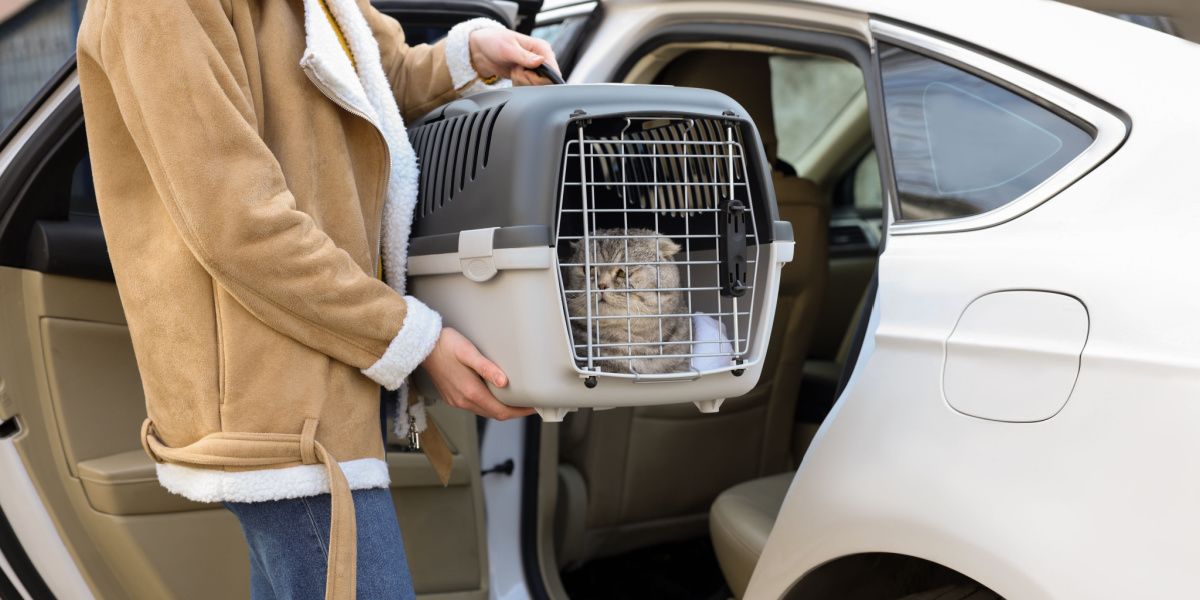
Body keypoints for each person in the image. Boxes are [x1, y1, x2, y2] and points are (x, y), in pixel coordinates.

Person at [75, 0, 557, 598]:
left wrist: (472, 55)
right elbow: (240, 227)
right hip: (273, 405)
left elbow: (381, 74)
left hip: (328, 378)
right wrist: (412, 339)